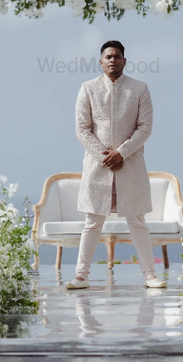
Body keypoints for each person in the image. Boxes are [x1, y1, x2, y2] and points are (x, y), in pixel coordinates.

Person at [65, 40, 167, 290]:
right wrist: (105, 155)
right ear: (101, 62)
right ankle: (81, 276)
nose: (113, 60)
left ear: (124, 60)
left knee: (137, 221)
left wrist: (121, 153)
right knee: (92, 222)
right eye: (108, 56)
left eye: (117, 56)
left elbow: (145, 128)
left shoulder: (139, 89)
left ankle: (149, 275)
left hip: (130, 165)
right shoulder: (87, 88)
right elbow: (82, 129)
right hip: (97, 166)